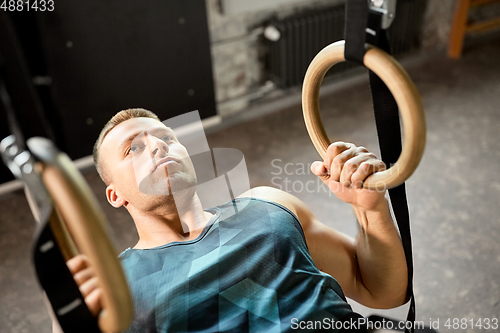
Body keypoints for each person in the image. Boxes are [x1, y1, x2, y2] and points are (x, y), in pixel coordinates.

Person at [57, 108, 408, 332]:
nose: (158, 147)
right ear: (115, 194)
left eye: (167, 138)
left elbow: (381, 291)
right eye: (133, 148)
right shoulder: (115, 284)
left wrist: (371, 208)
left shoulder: (268, 204)